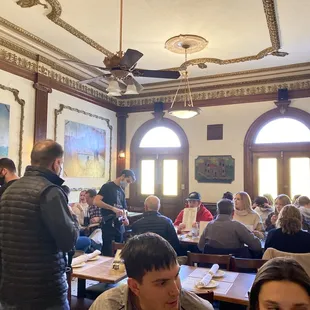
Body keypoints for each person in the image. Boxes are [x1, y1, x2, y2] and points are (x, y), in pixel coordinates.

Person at [0, 139, 79, 310]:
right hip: (44, 292)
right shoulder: (50, 191)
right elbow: (68, 242)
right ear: (56, 163)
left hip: (10, 289)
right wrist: (73, 218)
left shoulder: (9, 190)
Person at [90, 233, 214, 310]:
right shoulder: (107, 305)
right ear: (134, 286)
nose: (176, 291)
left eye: (176, 276)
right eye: (162, 283)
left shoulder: (197, 307)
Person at [94, 169, 136, 256]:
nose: (127, 184)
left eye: (129, 183)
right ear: (123, 176)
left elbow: (124, 209)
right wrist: (112, 208)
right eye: (127, 181)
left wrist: (126, 218)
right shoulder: (107, 186)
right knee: (108, 251)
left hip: (119, 226)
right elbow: (96, 201)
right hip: (109, 224)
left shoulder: (122, 191)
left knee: (118, 253)